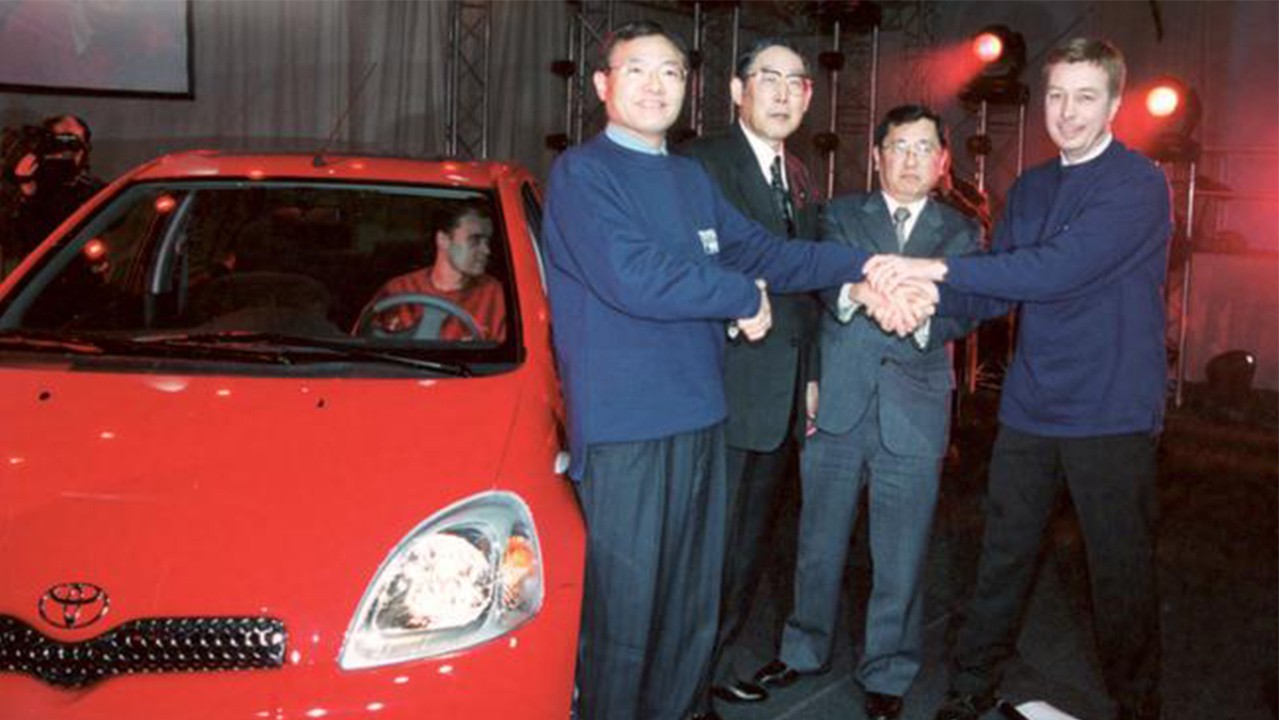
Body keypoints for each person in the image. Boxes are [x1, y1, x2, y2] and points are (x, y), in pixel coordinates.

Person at [541, 20, 931, 720]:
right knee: (624, 616)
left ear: (687, 89)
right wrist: (736, 295)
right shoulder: (582, 173)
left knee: (691, 605)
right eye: (637, 70)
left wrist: (866, 265)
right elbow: (634, 275)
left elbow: (765, 251)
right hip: (627, 427)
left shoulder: (689, 178)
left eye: (670, 72)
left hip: (700, 416)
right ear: (602, 86)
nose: (656, 85)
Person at [866, 38, 1170, 720]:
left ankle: (1138, 704)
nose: (1066, 112)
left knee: (1117, 572)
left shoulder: (1137, 185)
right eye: (1056, 94)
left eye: (1085, 96)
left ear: (1115, 104)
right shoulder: (1031, 187)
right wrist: (917, 309)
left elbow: (1052, 270)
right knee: (1001, 555)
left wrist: (929, 270)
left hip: (1111, 411)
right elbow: (993, 290)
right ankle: (970, 688)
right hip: (1032, 406)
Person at [751, 104, 980, 720]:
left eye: (923, 148)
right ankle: (802, 650)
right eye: (898, 146)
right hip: (838, 402)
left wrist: (923, 316)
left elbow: (971, 303)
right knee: (817, 540)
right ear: (876, 155)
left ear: (942, 161)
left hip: (916, 407)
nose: (910, 159)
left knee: (901, 551)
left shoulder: (963, 232)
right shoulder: (840, 215)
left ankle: (888, 670)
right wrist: (870, 304)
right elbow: (823, 284)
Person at [675, 37, 821, 708]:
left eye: (796, 82)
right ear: (736, 91)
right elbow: (685, 269)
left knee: (743, 551)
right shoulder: (700, 163)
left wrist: (811, 373)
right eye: (769, 78)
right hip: (719, 388)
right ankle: (678, 682)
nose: (785, 92)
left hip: (779, 395)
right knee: (702, 552)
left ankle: (710, 666)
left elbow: (803, 288)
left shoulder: (797, 174)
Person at [363, 201, 506, 341]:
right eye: (475, 240)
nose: (487, 251)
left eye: (487, 241)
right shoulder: (397, 290)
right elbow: (361, 343)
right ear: (443, 240)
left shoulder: (495, 294)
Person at [1, 114, 104, 275]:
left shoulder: (91, 191)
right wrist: (27, 189)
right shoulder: (18, 188)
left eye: (76, 143)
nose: (67, 151)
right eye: (62, 141)